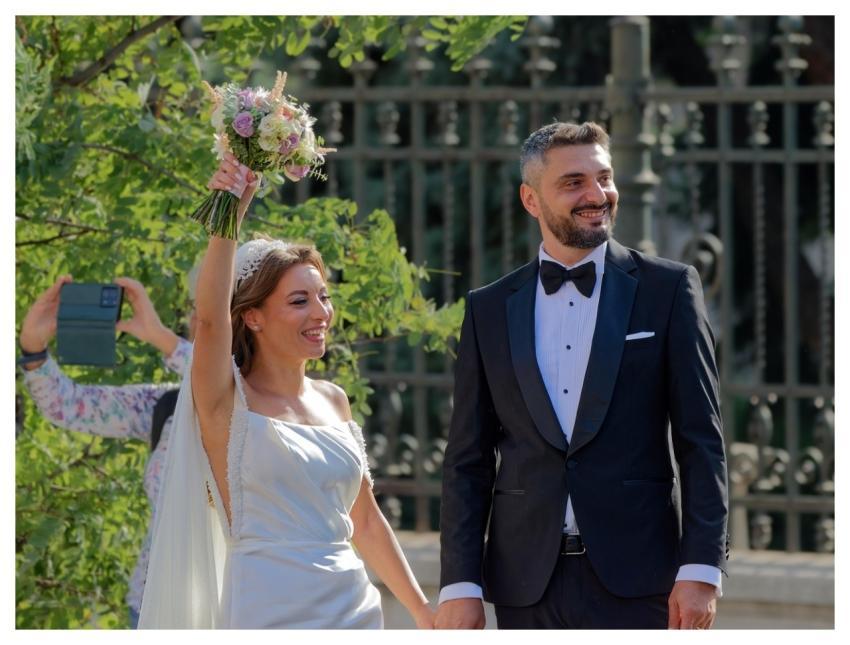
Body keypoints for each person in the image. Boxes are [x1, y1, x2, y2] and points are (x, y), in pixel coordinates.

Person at [435, 121, 729, 630]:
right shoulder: (488, 309)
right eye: (573, 182)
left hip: (642, 579)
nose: (597, 195)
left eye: (604, 178)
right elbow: (468, 458)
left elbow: (701, 441)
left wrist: (701, 568)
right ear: (531, 200)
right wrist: (460, 583)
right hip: (524, 584)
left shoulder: (669, 289)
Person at [139, 153, 434, 629]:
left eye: (323, 296)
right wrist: (230, 211)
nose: (321, 312)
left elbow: (366, 521)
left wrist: (424, 613)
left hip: (353, 609)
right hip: (268, 610)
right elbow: (212, 318)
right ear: (252, 316)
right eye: (299, 301)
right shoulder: (225, 403)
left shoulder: (334, 399)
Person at [18, 275, 193, 628]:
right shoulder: (172, 404)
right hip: (154, 608)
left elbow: (237, 390)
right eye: (197, 312)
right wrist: (34, 349)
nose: (197, 323)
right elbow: (70, 405)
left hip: (244, 611)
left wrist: (166, 341)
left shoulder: (288, 410)